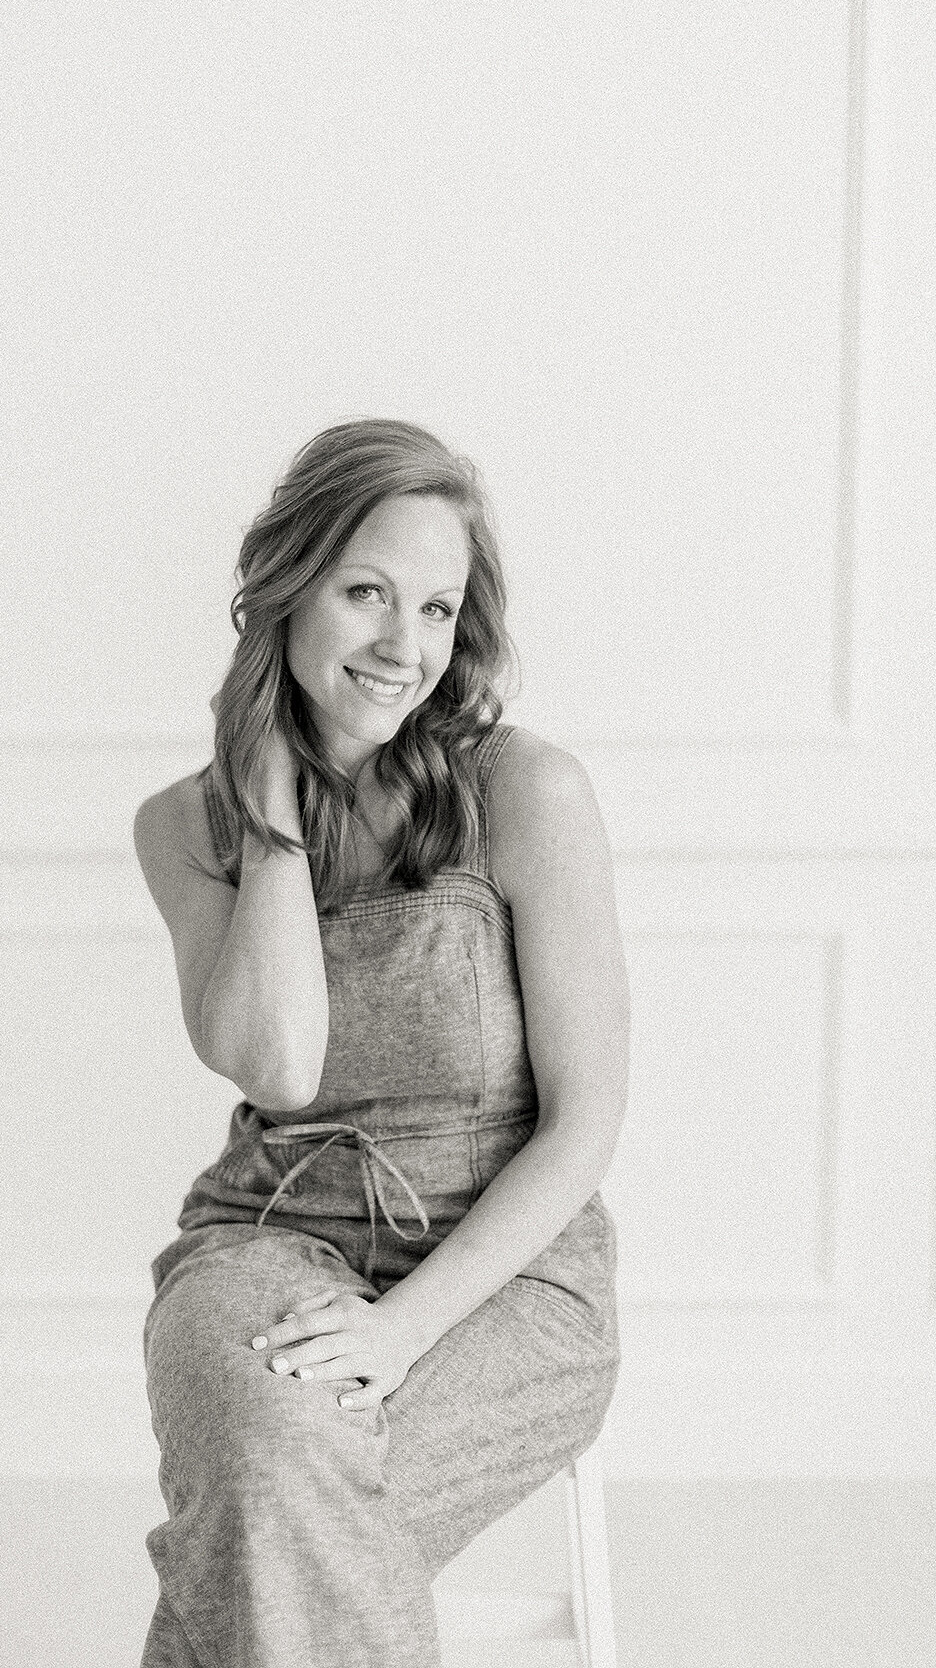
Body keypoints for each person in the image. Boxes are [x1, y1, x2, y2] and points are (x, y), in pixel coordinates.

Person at [132, 418, 629, 1668]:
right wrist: (274, 814)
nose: (406, 647)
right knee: (275, 1480)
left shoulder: (528, 793)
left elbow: (585, 1124)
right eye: (365, 593)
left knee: (264, 1525)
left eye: (438, 608)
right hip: (265, 1238)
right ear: (287, 589)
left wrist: (401, 1330)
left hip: (507, 1275)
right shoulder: (181, 829)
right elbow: (281, 1066)